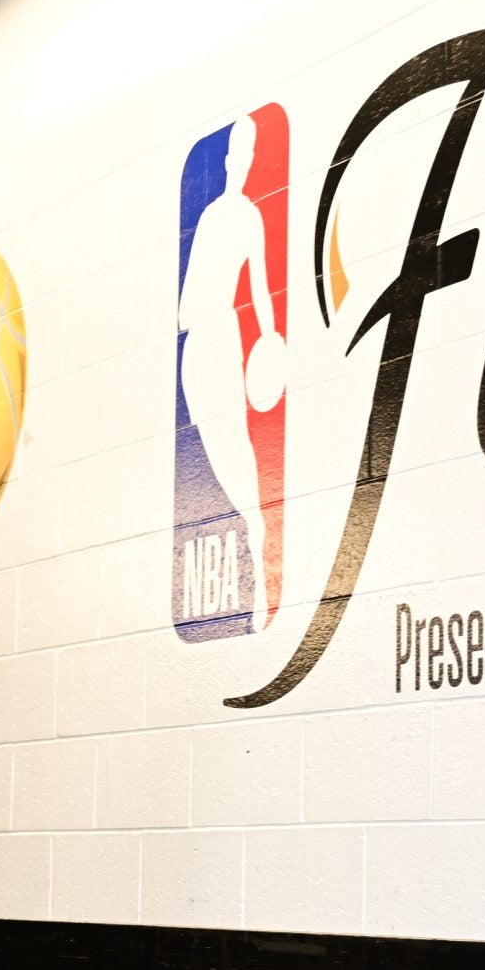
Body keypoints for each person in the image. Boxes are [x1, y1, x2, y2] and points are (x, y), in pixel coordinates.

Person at [178, 112, 286, 633]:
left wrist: (268, 339)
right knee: (216, 457)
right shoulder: (213, 214)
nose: (237, 162)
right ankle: (252, 531)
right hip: (195, 345)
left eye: (246, 154)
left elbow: (263, 287)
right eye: (232, 154)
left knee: (236, 454)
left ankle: (261, 549)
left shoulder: (246, 215)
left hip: (221, 340)